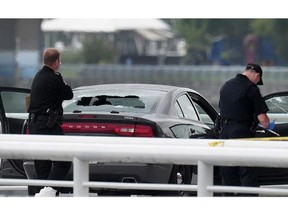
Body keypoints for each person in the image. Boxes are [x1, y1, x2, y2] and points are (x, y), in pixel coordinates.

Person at [218, 63, 274, 196]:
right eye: (258, 81)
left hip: (223, 132)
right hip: (241, 133)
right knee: (247, 171)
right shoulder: (251, 89)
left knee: (227, 172)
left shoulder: (226, 85)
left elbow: (224, 110)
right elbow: (264, 122)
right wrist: (269, 124)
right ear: (257, 75)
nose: (256, 83)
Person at [27, 48, 73, 196]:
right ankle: (49, 192)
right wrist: (62, 80)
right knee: (64, 160)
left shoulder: (37, 76)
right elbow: (68, 94)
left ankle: (42, 196)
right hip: (49, 126)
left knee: (42, 165)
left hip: (34, 125)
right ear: (55, 62)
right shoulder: (54, 78)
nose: (60, 63)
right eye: (59, 60)